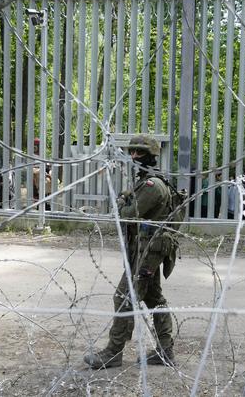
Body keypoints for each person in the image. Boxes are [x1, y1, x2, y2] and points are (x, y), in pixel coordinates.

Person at [83, 134, 177, 369]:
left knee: (125, 296)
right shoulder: (146, 182)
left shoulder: (152, 185)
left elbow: (127, 214)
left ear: (151, 156)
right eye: (132, 152)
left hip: (149, 250)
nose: (134, 156)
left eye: (139, 152)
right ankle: (166, 351)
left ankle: (114, 352)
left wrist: (123, 201)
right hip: (145, 248)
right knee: (153, 297)